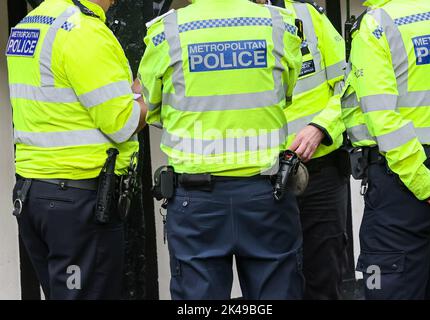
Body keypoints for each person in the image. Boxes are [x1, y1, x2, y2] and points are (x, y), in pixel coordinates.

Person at [138, 0, 303, 299]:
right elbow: (286, 92)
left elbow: (153, 106)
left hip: (195, 202)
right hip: (266, 196)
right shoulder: (279, 24)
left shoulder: (167, 31)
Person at [6, 0, 148, 299]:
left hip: (35, 195)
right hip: (78, 200)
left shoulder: (29, 23)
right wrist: (148, 95)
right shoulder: (83, 31)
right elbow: (122, 123)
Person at [343, 0, 430, 299]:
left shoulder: (378, 24)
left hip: (403, 186)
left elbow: (383, 118)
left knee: (385, 286)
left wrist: (429, 189)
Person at [280, 0, 348, 300]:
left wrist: (320, 126)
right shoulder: (232, 24)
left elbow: (349, 85)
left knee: (324, 277)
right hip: (262, 178)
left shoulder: (308, 15)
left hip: (320, 174)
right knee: (276, 282)